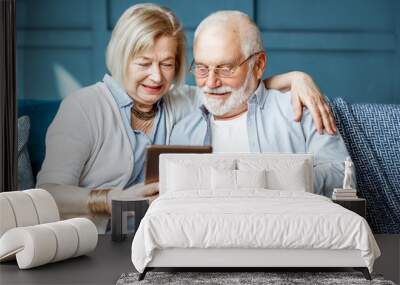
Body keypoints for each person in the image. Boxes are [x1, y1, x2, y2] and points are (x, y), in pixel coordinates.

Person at [37, 4, 337, 232]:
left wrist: (295, 78)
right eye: (144, 63)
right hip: (93, 239)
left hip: (154, 236)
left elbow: (234, 89)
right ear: (120, 57)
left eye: (167, 64)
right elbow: (47, 193)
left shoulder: (177, 99)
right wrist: (111, 199)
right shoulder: (83, 107)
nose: (156, 76)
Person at [170, 10, 354, 196]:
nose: (210, 83)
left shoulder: (301, 109)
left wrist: (263, 181)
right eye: (202, 68)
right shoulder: (182, 132)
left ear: (258, 65)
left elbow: (342, 179)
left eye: (225, 69)